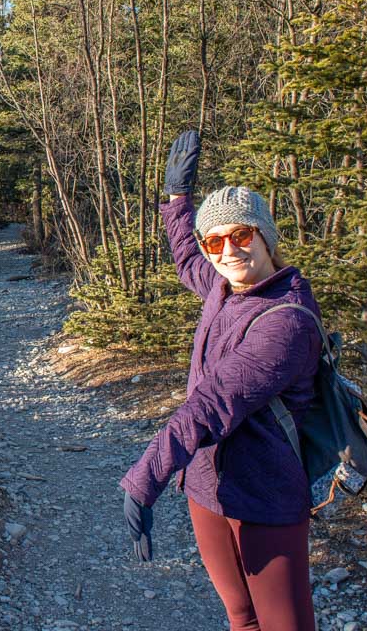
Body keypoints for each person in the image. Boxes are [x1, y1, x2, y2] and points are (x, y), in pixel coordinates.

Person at [119, 130, 321, 631]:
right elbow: (188, 255)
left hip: (265, 496)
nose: (228, 250)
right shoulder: (222, 286)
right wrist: (176, 200)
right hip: (206, 485)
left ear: (266, 237)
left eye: (242, 236)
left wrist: (147, 478)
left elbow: (211, 404)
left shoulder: (285, 320)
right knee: (240, 615)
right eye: (217, 240)